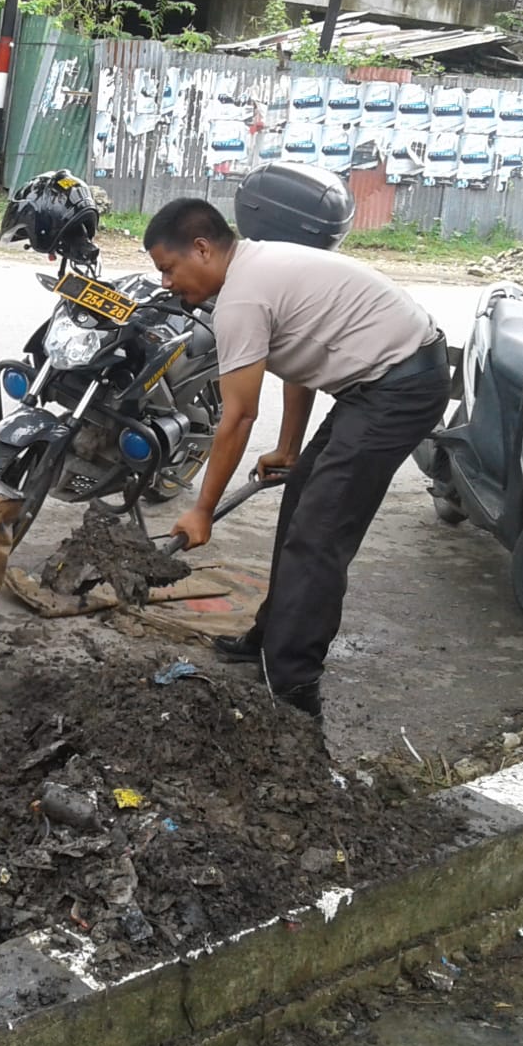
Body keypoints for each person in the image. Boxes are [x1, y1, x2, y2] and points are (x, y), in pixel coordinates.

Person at [143, 198, 449, 721]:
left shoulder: (241, 296)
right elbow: (298, 360)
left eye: (168, 268)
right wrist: (289, 448)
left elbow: (236, 417)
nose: (167, 282)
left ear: (202, 248)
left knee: (319, 534)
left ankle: (292, 688)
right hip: (377, 382)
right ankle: (270, 634)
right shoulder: (257, 267)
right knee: (303, 497)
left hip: (399, 385)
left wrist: (202, 510)